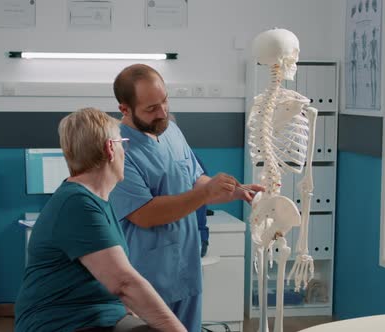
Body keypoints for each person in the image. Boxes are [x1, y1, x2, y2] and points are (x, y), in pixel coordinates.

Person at [110, 64, 263, 331]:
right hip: (148, 273)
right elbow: (145, 214)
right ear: (125, 109)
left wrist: (229, 191)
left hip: (186, 265)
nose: (162, 113)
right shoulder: (118, 149)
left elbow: (194, 180)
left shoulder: (170, 131)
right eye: (151, 109)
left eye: (165, 101)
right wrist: (204, 192)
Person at [15, 108, 186, 332]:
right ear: (110, 148)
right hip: (63, 323)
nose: (126, 151)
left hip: (98, 317)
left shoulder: (97, 200)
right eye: (122, 143)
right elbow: (124, 283)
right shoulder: (77, 204)